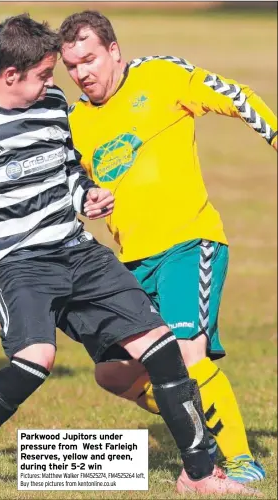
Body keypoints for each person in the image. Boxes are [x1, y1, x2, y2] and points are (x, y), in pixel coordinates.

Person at [0, 15, 260, 496]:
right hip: (13, 263)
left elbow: (68, 171)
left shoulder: (52, 106)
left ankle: (200, 474)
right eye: (45, 74)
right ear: (10, 75)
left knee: (162, 345)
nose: (55, 83)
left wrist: (85, 197)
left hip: (77, 250)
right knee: (35, 360)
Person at [60, 10, 277, 485]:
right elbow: (69, 184)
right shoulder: (74, 120)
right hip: (132, 263)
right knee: (114, 373)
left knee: (186, 352)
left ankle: (241, 460)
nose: (83, 73)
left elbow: (234, 96)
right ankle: (199, 425)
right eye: (72, 66)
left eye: (90, 59)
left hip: (189, 242)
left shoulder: (160, 74)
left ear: (114, 50)